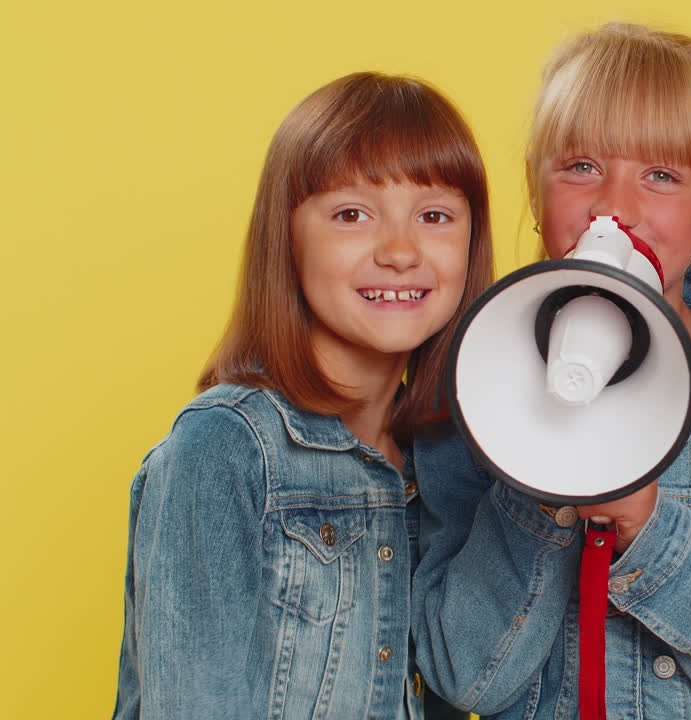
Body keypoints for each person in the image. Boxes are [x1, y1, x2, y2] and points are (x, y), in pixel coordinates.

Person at [412, 23, 691, 719]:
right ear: (535, 191)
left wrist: (655, 538)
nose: (614, 205)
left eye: (662, 176)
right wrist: (537, 473)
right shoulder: (466, 389)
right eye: (581, 167)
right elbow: (460, 674)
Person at [112, 71, 492, 720]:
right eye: (352, 214)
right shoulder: (225, 452)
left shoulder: (447, 461)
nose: (400, 251)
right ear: (286, 239)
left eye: (434, 216)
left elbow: (480, 679)